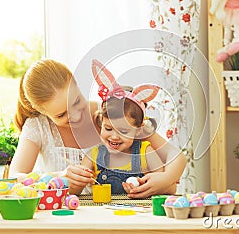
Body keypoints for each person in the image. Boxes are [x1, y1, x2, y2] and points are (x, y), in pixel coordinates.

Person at [9, 58, 186, 198]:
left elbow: (175, 157)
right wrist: (58, 176)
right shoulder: (38, 127)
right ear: (42, 112)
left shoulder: (111, 113)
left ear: (78, 86)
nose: (76, 116)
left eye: (77, 102)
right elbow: (13, 178)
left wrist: (165, 179)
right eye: (61, 115)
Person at [74, 60, 176, 196]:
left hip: (139, 216)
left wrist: (147, 187)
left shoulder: (145, 153)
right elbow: (75, 192)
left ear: (138, 130)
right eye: (108, 129)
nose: (114, 137)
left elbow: (169, 188)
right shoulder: (93, 156)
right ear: (101, 122)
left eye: (123, 131)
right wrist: (77, 180)